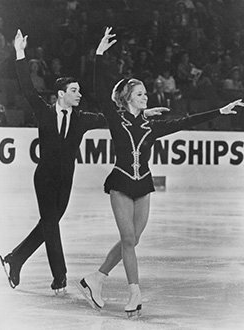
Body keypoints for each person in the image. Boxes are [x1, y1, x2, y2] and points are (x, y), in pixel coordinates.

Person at [76, 27, 244, 317]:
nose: (146, 97)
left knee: (133, 239)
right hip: (120, 184)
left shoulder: (152, 126)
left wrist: (220, 110)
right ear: (128, 97)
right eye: (140, 94)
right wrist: (100, 54)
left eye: (145, 94)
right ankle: (134, 294)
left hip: (143, 186)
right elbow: (100, 88)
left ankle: (96, 278)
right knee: (128, 240)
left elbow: (185, 121)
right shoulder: (117, 122)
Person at [0, 29, 107, 293]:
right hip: (44, 178)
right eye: (73, 90)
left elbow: (110, 120)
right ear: (60, 94)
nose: (78, 94)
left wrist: (140, 113)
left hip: (66, 180)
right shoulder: (44, 113)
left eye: (79, 90)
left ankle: (15, 258)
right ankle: (60, 277)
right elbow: (26, 87)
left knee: (49, 224)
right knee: (51, 224)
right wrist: (20, 53)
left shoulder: (82, 118)